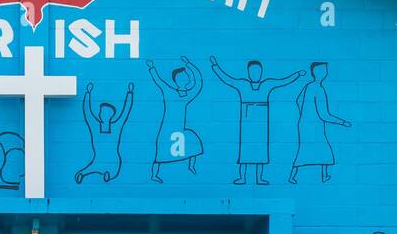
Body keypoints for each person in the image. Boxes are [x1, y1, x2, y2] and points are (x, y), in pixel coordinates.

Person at [210, 57, 303, 185]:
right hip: (247, 122)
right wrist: (215, 66)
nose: (255, 74)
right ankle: (242, 177)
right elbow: (227, 79)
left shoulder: (267, 84)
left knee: (261, 150)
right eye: (252, 72)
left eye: (258, 71)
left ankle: (259, 178)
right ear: (248, 73)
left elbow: (283, 81)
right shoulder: (242, 84)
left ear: (262, 72)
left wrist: (297, 74)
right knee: (245, 150)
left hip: (262, 123)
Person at [289, 62, 350, 184]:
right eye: (322, 70)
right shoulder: (319, 89)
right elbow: (324, 115)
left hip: (304, 124)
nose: (324, 72)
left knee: (307, 149)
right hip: (314, 125)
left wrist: (305, 114)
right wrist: (342, 122)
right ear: (315, 72)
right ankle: (323, 175)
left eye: (325, 70)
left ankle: (296, 176)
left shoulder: (308, 86)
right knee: (323, 148)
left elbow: (298, 100)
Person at [148, 57, 203, 182]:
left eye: (185, 76)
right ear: (176, 81)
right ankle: (154, 175)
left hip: (180, 128)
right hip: (167, 127)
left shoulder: (188, 95)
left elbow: (198, 83)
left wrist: (189, 64)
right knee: (161, 152)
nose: (184, 78)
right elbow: (159, 81)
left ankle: (191, 165)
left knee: (194, 142)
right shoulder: (169, 92)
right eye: (181, 77)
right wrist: (152, 68)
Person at [76, 81, 133, 184]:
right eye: (101, 111)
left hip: (113, 160)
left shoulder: (116, 126)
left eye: (104, 111)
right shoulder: (95, 126)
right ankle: (83, 174)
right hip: (97, 160)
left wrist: (130, 93)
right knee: (88, 169)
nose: (101, 113)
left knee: (112, 171)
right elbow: (87, 112)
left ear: (111, 115)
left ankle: (108, 175)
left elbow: (125, 112)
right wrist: (87, 93)